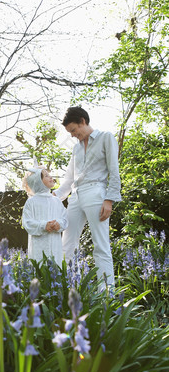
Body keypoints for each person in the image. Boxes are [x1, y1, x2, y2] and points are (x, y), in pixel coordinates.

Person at [53, 106, 121, 289]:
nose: (73, 135)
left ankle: (107, 296)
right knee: (66, 245)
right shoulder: (76, 149)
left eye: (74, 130)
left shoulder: (106, 137)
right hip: (75, 195)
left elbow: (114, 171)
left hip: (96, 192)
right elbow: (68, 179)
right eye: (70, 133)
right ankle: (64, 290)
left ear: (83, 121)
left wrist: (109, 199)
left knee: (101, 245)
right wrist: (55, 196)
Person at [22, 167, 68, 266]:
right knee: (40, 268)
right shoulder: (31, 202)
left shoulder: (56, 201)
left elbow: (65, 218)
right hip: (38, 246)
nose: (51, 177)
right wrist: (44, 225)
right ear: (38, 181)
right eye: (46, 176)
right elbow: (27, 222)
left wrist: (58, 224)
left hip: (55, 245)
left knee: (55, 271)